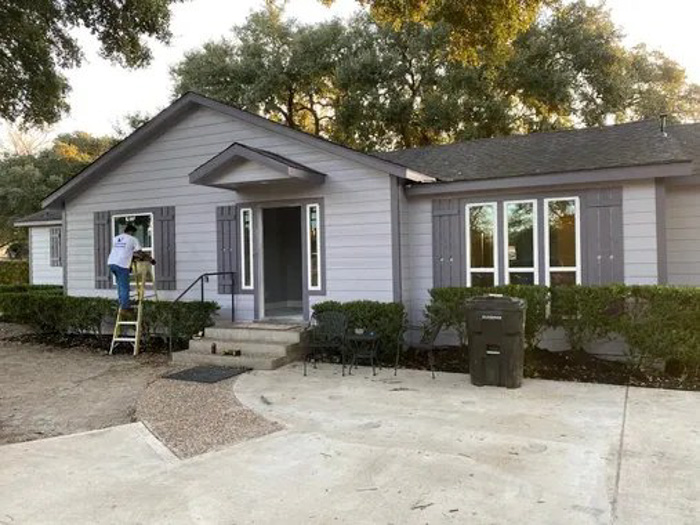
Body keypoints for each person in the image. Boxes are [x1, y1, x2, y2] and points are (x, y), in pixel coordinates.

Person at [107, 223, 154, 311]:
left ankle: (121, 302)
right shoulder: (133, 239)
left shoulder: (116, 238)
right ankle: (125, 307)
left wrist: (132, 255)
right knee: (124, 286)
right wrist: (150, 259)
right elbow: (139, 252)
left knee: (120, 284)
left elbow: (124, 251)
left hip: (111, 263)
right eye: (134, 233)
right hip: (121, 264)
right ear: (131, 232)